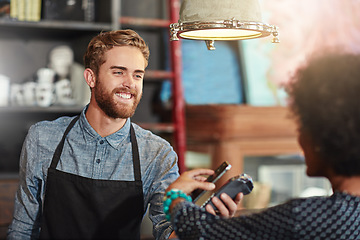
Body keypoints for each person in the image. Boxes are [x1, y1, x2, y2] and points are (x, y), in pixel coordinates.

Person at [7, 29, 241, 240]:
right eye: (119, 72)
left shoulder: (157, 153)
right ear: (91, 78)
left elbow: (166, 233)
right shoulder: (43, 138)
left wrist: (202, 225)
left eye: (137, 75)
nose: (130, 83)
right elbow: (23, 227)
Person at [164, 52, 360, 239]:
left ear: (324, 137)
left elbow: (196, 228)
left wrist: (176, 197)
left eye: (303, 127)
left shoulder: (306, 217)